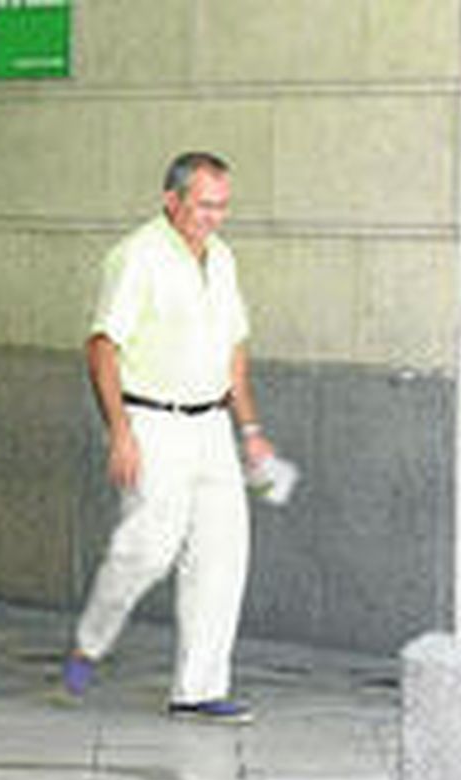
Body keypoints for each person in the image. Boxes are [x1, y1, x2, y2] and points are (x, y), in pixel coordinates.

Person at [63, 152, 277, 723]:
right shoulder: (136, 257)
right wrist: (121, 433)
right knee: (148, 550)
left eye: (223, 205)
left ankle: (198, 689)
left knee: (223, 553)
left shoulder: (223, 260)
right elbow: (101, 346)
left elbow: (233, 350)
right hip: (152, 420)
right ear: (172, 200)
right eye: (205, 204)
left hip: (210, 426)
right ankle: (91, 640)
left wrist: (250, 430)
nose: (216, 217)